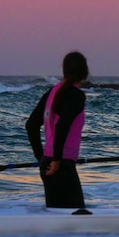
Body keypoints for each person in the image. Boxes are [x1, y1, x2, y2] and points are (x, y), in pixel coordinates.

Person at [26, 51, 90, 208]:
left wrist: (42, 158)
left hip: (49, 164)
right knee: (76, 217)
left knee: (57, 219)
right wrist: (56, 160)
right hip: (61, 165)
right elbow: (63, 125)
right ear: (85, 71)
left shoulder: (52, 93)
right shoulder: (76, 96)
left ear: (64, 70)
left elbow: (31, 125)